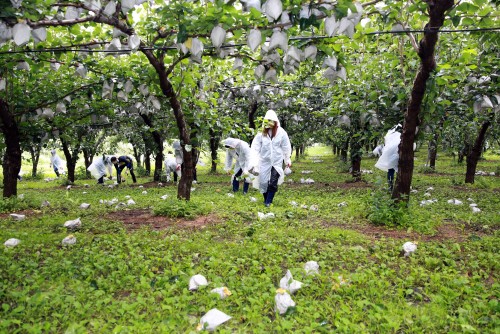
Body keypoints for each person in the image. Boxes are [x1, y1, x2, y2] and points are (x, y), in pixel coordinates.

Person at [251, 110, 292, 207]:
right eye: (267, 121)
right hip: (264, 161)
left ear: (275, 121)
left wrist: (287, 159)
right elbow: (255, 148)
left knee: (273, 182)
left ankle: (268, 202)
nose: (269, 123)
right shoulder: (261, 133)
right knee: (263, 182)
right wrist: (254, 162)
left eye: (271, 121)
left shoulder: (281, 132)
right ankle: (266, 199)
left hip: (276, 162)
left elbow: (286, 147)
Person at [375, 125, 402, 192]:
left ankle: (390, 187)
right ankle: (398, 186)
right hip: (398, 155)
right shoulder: (400, 136)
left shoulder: (390, 135)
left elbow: (386, 145)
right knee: (400, 171)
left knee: (391, 171)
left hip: (391, 156)